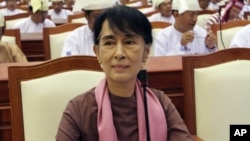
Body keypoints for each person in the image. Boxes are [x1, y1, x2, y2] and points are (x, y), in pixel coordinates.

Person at [56, 5, 193, 141]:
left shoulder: (161, 103)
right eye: (109, 43)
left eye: (129, 42)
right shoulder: (78, 110)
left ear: (145, 53)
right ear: (97, 52)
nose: (119, 53)